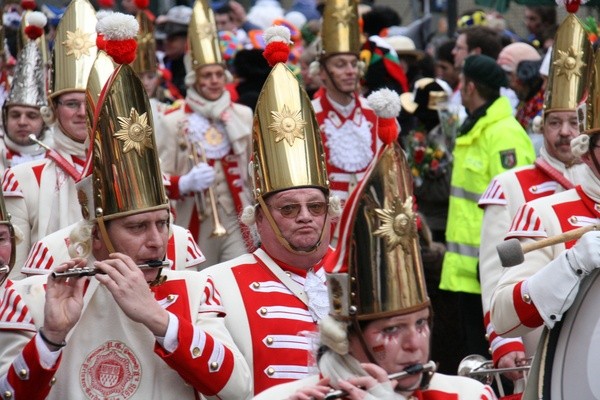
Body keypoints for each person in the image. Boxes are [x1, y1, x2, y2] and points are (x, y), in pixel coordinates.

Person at [0, 34, 251, 399]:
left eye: (163, 223)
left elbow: (238, 390)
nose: (156, 240)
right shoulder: (31, 297)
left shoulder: (195, 291)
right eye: (136, 227)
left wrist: (158, 318)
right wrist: (51, 338)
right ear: (97, 233)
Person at [255, 139, 496, 400]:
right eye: (391, 329)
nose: (414, 345)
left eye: (421, 323)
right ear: (345, 340)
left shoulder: (468, 394)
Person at [196, 26, 353, 396]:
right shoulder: (217, 283)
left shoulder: (356, 273)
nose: (305, 216)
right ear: (259, 217)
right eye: (288, 207)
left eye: (315, 206)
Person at [479, 13, 592, 390]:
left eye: (573, 122)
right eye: (554, 122)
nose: (563, 132)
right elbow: (498, 274)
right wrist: (504, 343)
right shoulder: (514, 187)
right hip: (542, 364)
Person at [438, 54, 536, 370]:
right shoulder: (476, 126)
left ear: (469, 87)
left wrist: (501, 263)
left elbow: (518, 205)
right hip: (468, 272)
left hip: (491, 271)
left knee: (494, 363)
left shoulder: (503, 133)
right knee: (474, 360)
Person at [1, 0, 98, 270]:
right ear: (53, 110)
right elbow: (15, 271)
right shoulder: (22, 179)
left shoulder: (121, 169)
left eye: (88, 103)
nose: (81, 112)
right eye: (71, 104)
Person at [156, 0, 253, 267]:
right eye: (206, 75)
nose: (213, 81)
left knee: (241, 274)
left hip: (237, 218)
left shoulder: (242, 115)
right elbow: (157, 177)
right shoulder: (172, 120)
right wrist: (183, 183)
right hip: (193, 220)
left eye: (218, 74)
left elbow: (253, 169)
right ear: (194, 79)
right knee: (199, 283)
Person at [310, 0, 380, 209]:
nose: (350, 71)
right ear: (322, 72)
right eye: (340, 65)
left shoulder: (375, 112)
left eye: (353, 63)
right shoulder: (308, 115)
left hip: (370, 224)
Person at [0, 11, 51, 172]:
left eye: (32, 115)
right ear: (5, 118)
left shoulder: (59, 158)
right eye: (15, 115)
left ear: (44, 121)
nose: (22, 122)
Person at [156, 5, 191, 98]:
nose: (166, 43)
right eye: (165, 39)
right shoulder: (166, 62)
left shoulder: (192, 67)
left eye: (172, 39)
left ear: (187, 40)